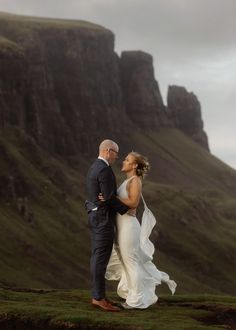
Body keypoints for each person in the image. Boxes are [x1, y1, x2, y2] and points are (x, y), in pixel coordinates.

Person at [103, 151, 177, 309]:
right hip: (122, 226)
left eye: (127, 159)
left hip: (129, 227)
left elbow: (133, 203)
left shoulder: (135, 181)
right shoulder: (129, 180)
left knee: (131, 262)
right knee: (126, 262)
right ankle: (133, 295)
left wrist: (111, 198)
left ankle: (135, 301)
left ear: (134, 165)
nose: (123, 161)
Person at [85, 139, 129, 312]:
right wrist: (127, 209)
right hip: (102, 218)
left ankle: (99, 295)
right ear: (108, 151)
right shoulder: (104, 169)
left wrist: (104, 198)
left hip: (96, 215)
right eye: (116, 153)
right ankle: (98, 298)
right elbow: (109, 197)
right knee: (100, 257)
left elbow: (104, 196)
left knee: (98, 256)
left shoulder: (94, 166)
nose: (117, 157)